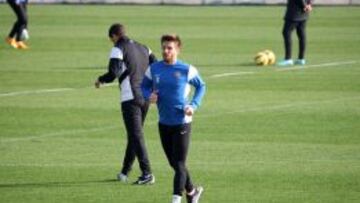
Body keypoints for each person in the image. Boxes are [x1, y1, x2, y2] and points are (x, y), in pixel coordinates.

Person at [141, 34, 206, 203]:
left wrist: (193, 105)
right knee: (175, 164)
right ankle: (192, 192)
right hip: (163, 123)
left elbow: (201, 86)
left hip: (182, 123)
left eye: (169, 48)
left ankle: (176, 199)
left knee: (178, 164)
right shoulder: (154, 68)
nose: (165, 51)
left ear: (177, 49)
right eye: (163, 47)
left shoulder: (186, 69)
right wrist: (149, 95)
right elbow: (144, 85)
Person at [95, 23, 156, 185]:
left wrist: (100, 80)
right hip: (145, 98)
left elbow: (113, 73)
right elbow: (156, 66)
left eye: (111, 39)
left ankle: (147, 173)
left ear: (114, 36)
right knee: (134, 135)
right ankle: (125, 171)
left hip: (130, 97)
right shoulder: (144, 47)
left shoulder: (118, 48)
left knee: (136, 135)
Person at [278, 0, 313, 66]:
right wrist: (309, 4)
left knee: (286, 32)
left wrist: (304, 5)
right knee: (301, 34)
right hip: (304, 12)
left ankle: (288, 59)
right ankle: (301, 59)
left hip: (294, 11)